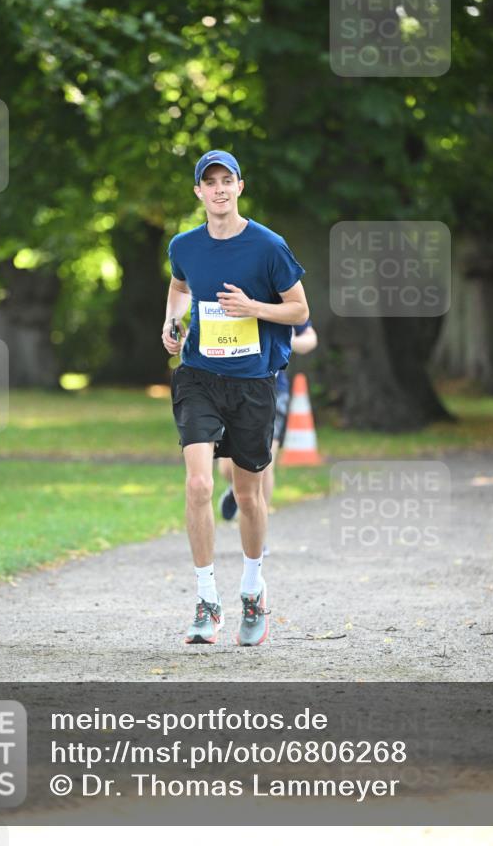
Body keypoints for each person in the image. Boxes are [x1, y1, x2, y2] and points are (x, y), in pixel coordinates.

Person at [162, 149, 309, 646]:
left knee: (248, 494)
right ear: (199, 192)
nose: (220, 189)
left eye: (228, 180)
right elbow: (180, 286)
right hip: (199, 376)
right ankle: (206, 601)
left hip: (253, 380)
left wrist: (252, 307)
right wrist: (173, 321)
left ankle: (253, 590)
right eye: (211, 182)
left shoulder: (268, 246)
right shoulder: (184, 245)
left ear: (240, 188)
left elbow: (297, 309)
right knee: (200, 485)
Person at [218, 321, 318, 525]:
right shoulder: (228, 295)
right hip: (230, 387)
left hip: (272, 389)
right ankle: (237, 488)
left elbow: (310, 338)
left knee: (264, 462)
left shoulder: (282, 296)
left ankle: (258, 531)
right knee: (227, 468)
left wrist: (289, 340)